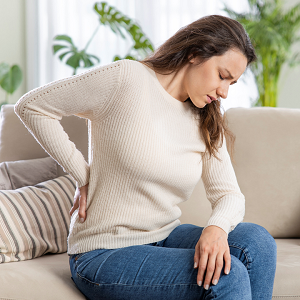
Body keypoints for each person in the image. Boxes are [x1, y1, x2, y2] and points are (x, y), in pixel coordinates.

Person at [14, 14, 277, 300]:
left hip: (163, 236)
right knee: (228, 276)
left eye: (232, 84)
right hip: (104, 253)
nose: (224, 92)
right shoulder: (127, 79)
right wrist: (84, 175)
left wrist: (216, 228)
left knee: (258, 243)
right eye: (222, 76)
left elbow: (230, 196)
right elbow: (32, 106)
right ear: (194, 53)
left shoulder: (206, 118)